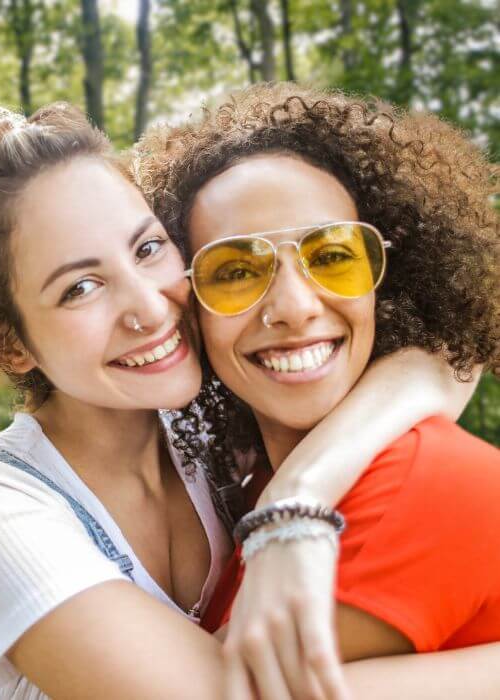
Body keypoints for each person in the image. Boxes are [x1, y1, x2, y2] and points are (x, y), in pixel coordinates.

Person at [0, 102, 483, 700]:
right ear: (7, 346)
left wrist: (296, 497)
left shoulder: (218, 440)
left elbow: (444, 366)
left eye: (147, 249)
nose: (152, 309)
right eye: (80, 287)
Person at [137, 81, 500, 699]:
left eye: (331, 256)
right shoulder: (245, 492)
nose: (294, 307)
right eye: (235, 270)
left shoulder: (424, 476)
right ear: (188, 309)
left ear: (386, 282)